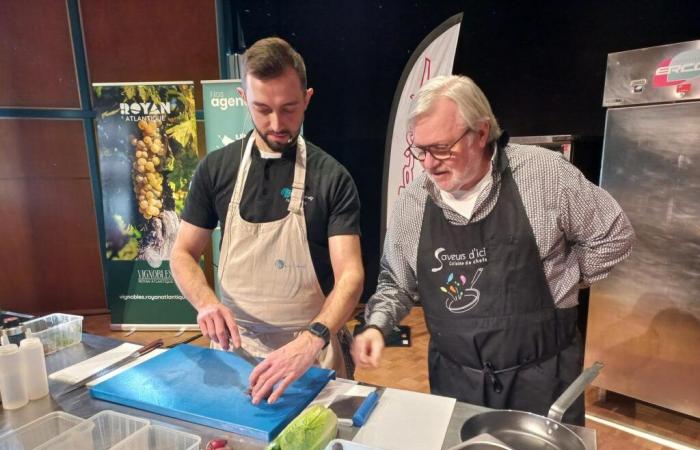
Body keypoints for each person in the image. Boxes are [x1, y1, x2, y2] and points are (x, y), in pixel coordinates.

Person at [352, 75, 634, 425]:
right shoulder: (413, 202)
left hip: (543, 379)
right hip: (456, 383)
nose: (429, 164)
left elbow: (613, 234)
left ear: (481, 133)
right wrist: (377, 326)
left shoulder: (544, 175)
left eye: (441, 148)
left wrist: (562, 283)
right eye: (420, 150)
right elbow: (396, 282)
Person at [171, 37, 364, 405]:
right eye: (262, 109)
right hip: (234, 354)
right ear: (244, 99)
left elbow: (351, 276)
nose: (277, 123)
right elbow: (182, 252)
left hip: (308, 354)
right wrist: (206, 302)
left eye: (289, 109)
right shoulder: (216, 169)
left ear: (307, 99)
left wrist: (312, 339)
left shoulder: (332, 178)